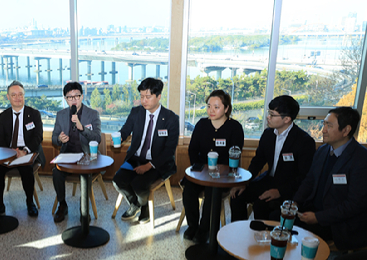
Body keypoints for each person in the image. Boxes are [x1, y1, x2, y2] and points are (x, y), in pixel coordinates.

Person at [293, 107, 367, 254]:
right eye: (324, 124)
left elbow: (354, 205)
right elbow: (310, 181)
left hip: (339, 223)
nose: (323, 130)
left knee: (297, 237)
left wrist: (318, 218)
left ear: (346, 130)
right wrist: (294, 203)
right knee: (278, 218)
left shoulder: (361, 159)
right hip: (314, 210)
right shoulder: (323, 150)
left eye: (329, 125)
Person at [230, 95, 315, 222]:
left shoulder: (304, 141)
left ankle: (263, 239)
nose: (267, 117)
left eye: (272, 114)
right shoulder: (268, 134)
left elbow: (304, 177)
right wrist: (244, 182)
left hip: (290, 187)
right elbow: (258, 161)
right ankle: (238, 233)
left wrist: (280, 191)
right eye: (268, 113)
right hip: (269, 180)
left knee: (261, 205)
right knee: (237, 195)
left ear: (286, 119)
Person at [112, 78, 179, 224]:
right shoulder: (136, 113)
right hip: (136, 158)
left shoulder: (171, 119)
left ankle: (145, 209)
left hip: (158, 161)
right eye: (141, 96)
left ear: (159, 96)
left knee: (139, 184)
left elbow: (169, 150)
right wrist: (119, 137)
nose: (144, 100)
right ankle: (135, 203)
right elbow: (125, 130)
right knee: (118, 180)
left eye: (148, 97)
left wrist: (149, 166)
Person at [182, 90, 244, 243]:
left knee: (212, 192)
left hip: (222, 175)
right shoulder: (202, 124)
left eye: (216, 107)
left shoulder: (234, 127)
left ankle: (205, 229)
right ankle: (192, 226)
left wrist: (223, 172)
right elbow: (192, 149)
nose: (211, 110)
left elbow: (235, 155)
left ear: (226, 108)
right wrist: (197, 170)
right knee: (188, 190)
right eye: (209, 106)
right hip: (201, 172)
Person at [51, 82, 101, 223]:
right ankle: (62, 205)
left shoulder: (92, 114)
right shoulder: (61, 115)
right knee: (56, 172)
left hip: (86, 156)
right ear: (66, 99)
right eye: (70, 97)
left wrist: (82, 128)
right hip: (67, 155)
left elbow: (97, 138)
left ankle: (83, 209)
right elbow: (53, 138)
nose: (74, 100)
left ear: (82, 96)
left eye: (76, 96)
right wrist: (59, 139)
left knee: (86, 175)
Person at [0, 81, 43, 217]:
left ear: (24, 96)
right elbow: (0, 139)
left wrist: (25, 151)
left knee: (26, 169)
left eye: (20, 94)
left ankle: (30, 202)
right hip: (8, 151)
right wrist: (12, 153)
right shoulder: (3, 116)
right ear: (8, 97)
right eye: (14, 95)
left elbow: (38, 137)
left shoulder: (34, 114)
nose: (17, 97)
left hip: (28, 150)